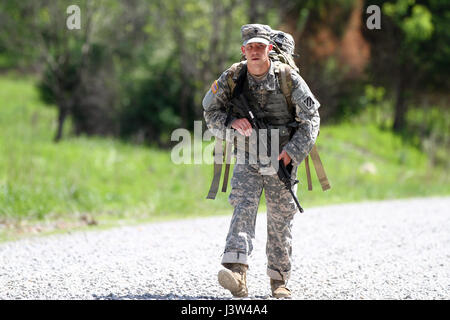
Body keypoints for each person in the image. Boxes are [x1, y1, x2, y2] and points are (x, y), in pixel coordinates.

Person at [202, 24, 320, 298]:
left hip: (282, 157)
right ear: (244, 51)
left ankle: (279, 281)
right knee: (243, 206)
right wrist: (231, 123)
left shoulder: (288, 78)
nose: (255, 52)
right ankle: (237, 272)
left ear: (268, 49)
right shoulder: (233, 76)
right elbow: (210, 113)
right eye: (250, 47)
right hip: (247, 154)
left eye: (260, 47)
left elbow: (311, 119)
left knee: (280, 218)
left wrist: (293, 151)